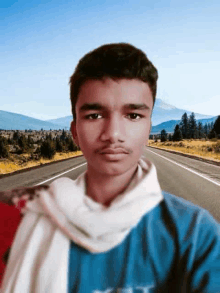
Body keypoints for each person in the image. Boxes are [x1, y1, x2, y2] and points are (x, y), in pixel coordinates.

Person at [1, 43, 220, 293]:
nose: (113, 134)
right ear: (75, 131)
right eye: (94, 115)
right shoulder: (13, 219)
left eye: (133, 116)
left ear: (149, 129)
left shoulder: (194, 235)